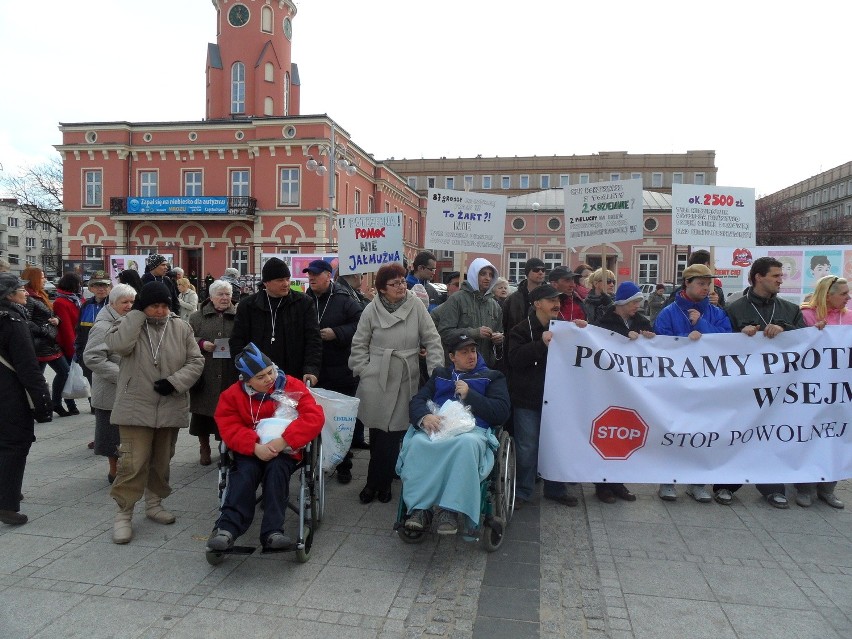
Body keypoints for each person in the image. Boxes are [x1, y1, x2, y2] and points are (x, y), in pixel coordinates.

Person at [105, 281, 204, 544]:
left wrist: (175, 382)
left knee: (161, 461)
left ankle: (154, 504)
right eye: (153, 306)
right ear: (143, 306)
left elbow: (196, 361)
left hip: (169, 404)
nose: (159, 311)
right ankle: (123, 514)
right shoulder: (129, 324)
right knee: (132, 463)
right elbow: (119, 346)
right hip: (135, 406)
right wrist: (136, 313)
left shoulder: (181, 327)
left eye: (163, 306)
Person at [205, 343, 325, 553]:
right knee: (244, 473)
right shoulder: (232, 395)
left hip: (285, 450)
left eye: (270, 372)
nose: (268, 379)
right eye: (260, 377)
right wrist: (254, 446)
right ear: (246, 379)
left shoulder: (291, 385)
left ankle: (272, 532)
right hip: (251, 450)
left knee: (277, 472)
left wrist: (284, 441)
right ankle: (227, 529)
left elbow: (314, 417)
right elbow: (229, 425)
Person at [349, 263, 444, 504]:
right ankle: (382, 479)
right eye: (395, 283)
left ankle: (377, 483)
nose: (402, 286)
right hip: (377, 376)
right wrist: (363, 369)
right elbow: (359, 343)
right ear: (382, 289)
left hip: (405, 374)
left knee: (393, 432)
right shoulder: (370, 310)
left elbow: (432, 340)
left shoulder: (417, 306)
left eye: (403, 281)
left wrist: (436, 375)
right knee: (378, 431)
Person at [398, 331, 511, 534]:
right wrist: (424, 417)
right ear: (452, 357)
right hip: (439, 427)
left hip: (473, 430)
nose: (471, 356)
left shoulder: (492, 377)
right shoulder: (440, 375)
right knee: (418, 443)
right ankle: (420, 508)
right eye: (464, 352)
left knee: (465, 445)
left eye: (474, 351)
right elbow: (417, 400)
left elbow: (501, 413)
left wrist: (471, 395)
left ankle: (450, 509)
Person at [715, 256, 806, 509]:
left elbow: (807, 341)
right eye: (776, 276)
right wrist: (739, 335)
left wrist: (784, 329)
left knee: (772, 436)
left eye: (781, 275)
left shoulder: (790, 310)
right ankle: (725, 484)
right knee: (738, 433)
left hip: (779, 390)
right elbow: (718, 344)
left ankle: (773, 488)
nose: (781, 280)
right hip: (743, 389)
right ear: (758, 277)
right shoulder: (734, 309)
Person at [653, 267, 731, 503]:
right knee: (674, 432)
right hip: (677, 385)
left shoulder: (715, 313)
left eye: (709, 284)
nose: (706, 288)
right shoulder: (668, 313)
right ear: (686, 283)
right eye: (701, 283)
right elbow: (661, 344)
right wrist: (687, 340)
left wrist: (703, 325)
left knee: (704, 433)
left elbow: (728, 338)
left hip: (708, 384)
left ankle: (697, 483)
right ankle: (668, 481)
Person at [507, 284, 587, 508]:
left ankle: (555, 489)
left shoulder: (564, 328)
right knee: (527, 447)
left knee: (556, 444)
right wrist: (540, 344)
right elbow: (514, 359)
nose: (557, 304)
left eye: (558, 300)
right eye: (551, 300)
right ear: (537, 304)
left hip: (557, 400)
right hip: (527, 399)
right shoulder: (521, 330)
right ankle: (523, 491)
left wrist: (582, 331)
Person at [588, 282, 651, 504]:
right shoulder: (604, 322)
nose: (637, 306)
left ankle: (618, 482)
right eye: (634, 301)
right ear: (621, 303)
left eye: (639, 302)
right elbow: (597, 344)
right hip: (608, 386)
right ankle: (602, 485)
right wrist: (625, 336)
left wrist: (649, 338)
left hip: (630, 388)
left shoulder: (642, 321)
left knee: (625, 434)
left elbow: (655, 346)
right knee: (606, 433)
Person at [302, 259, 364, 482]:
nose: (311, 278)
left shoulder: (344, 299)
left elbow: (361, 323)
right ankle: (312, 464)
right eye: (309, 274)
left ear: (329, 276)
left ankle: (344, 464)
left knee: (340, 420)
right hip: (313, 371)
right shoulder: (304, 299)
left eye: (316, 274)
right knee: (312, 419)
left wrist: (337, 332)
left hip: (340, 369)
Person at [0, 273, 52, 525]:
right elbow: (28, 366)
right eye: (20, 289)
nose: (25, 292)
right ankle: (8, 505)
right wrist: (42, 402)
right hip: (9, 394)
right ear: (10, 295)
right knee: (15, 444)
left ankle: (6, 489)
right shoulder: (12, 320)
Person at [793, 275, 849, 509]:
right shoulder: (806, 315)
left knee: (837, 437)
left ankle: (828, 488)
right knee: (810, 437)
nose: (848, 297)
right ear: (828, 295)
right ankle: (804, 488)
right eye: (844, 293)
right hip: (811, 390)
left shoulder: (849, 317)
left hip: (842, 391)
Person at [230, 257, 321, 388]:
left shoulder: (304, 303)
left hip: (294, 375)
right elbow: (237, 341)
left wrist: (311, 369)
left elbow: (313, 339)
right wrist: (246, 370)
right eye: (280, 280)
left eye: (287, 279)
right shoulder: (248, 306)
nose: (286, 284)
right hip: (258, 377)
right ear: (266, 283)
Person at [83, 284, 137, 484]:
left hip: (125, 388)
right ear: (113, 303)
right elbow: (92, 357)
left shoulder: (125, 321)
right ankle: (114, 472)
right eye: (125, 302)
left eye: (132, 302)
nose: (129, 306)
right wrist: (122, 375)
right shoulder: (104, 326)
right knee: (111, 434)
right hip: (110, 389)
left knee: (123, 432)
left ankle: (124, 469)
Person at [188, 280, 239, 466]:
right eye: (221, 294)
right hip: (205, 372)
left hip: (230, 371)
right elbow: (186, 338)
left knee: (228, 413)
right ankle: (204, 447)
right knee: (202, 414)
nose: (225, 298)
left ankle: (226, 447)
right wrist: (202, 343)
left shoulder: (239, 315)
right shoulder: (196, 317)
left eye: (228, 294)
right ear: (211, 297)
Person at [433, 257, 504, 368]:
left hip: (484, 368)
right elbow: (445, 333)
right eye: (483, 274)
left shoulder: (495, 305)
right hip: (459, 368)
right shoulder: (456, 299)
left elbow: (499, 332)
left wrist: (499, 339)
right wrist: (474, 333)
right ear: (474, 275)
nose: (487, 278)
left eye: (491, 275)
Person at [20, 268, 65, 414]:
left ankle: (54, 403)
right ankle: (38, 408)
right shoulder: (29, 298)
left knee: (64, 372)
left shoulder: (40, 295)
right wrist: (45, 330)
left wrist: (57, 320)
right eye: (42, 277)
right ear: (33, 279)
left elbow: (51, 315)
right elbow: (26, 321)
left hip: (50, 344)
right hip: (40, 344)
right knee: (37, 379)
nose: (45, 280)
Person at [75, 270, 112, 414]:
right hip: (87, 352)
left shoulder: (113, 304)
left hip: (108, 352)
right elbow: (79, 329)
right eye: (97, 285)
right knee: (92, 382)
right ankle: (95, 409)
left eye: (104, 285)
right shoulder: (86, 305)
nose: (101, 288)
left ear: (110, 287)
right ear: (91, 288)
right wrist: (78, 351)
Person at [52, 272, 83, 417]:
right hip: (68, 344)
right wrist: (73, 348)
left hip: (79, 341)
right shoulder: (61, 302)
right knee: (66, 374)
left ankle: (74, 404)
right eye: (78, 283)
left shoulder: (77, 299)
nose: (80, 286)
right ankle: (64, 404)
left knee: (72, 374)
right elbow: (66, 328)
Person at [502, 257, 546, 333]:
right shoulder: (512, 299)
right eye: (536, 270)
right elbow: (505, 326)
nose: (540, 272)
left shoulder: (551, 298)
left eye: (543, 270)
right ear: (527, 273)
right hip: (518, 342)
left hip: (543, 342)